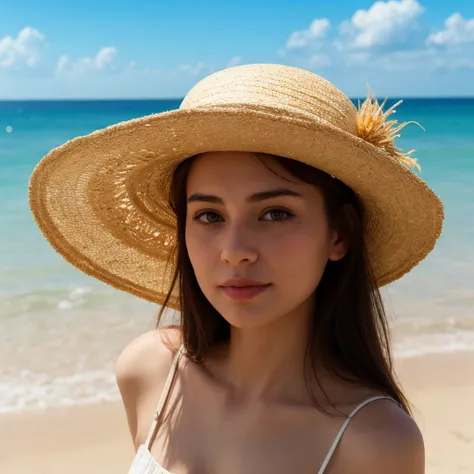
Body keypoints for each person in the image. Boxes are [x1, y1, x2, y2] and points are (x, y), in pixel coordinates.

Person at [28, 64, 444, 473]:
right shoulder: (149, 371)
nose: (234, 251)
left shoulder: (375, 444)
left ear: (340, 234)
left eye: (275, 213)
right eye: (209, 215)